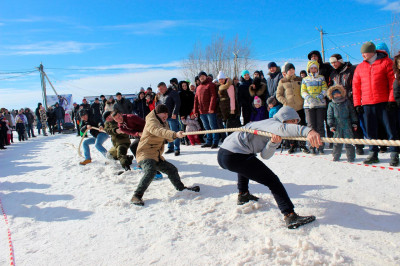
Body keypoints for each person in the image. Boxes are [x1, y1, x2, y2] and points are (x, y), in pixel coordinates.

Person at [217, 106, 320, 229]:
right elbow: (284, 129)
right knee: (273, 181)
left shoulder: (268, 126)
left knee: (247, 162)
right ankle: (290, 215)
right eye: (294, 122)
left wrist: (273, 143)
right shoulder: (273, 124)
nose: (295, 125)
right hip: (233, 155)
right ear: (285, 118)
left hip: (227, 154)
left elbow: (265, 155)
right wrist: (308, 131)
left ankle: (243, 194)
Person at [130, 104, 200, 206]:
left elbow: (167, 136)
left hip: (155, 155)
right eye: (164, 113)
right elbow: (158, 131)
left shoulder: (164, 122)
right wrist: (174, 134)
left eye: (167, 113)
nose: (166, 115)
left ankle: (181, 188)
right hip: (145, 153)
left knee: (172, 170)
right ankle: (136, 195)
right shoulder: (151, 122)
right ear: (157, 113)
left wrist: (176, 135)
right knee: (151, 171)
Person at [353, 41, 399, 166]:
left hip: (384, 102)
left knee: (390, 128)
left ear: (372, 52)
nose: (363, 55)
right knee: (370, 130)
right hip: (367, 104)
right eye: (362, 52)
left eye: (365, 52)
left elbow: (392, 83)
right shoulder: (360, 67)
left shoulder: (386, 62)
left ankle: (394, 153)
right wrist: (357, 104)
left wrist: (392, 100)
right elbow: (356, 87)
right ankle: (373, 153)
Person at [328, 54, 364, 155]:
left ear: (340, 61)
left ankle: (359, 146)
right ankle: (338, 149)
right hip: (338, 103)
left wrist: (353, 95)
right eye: (331, 63)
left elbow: (356, 83)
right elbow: (330, 87)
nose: (333, 64)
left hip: (350, 101)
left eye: (335, 62)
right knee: (341, 127)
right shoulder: (332, 74)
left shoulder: (350, 70)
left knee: (354, 124)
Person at [276, 63, 309, 154]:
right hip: (289, 109)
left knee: (301, 125)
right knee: (290, 127)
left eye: (293, 69)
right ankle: (293, 145)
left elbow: (304, 90)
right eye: (289, 70)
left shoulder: (300, 79)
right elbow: (278, 95)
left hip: (300, 107)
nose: (291, 71)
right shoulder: (282, 81)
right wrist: (285, 102)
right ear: (286, 71)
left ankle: (303, 145)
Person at [301, 60, 327, 154]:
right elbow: (303, 91)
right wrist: (309, 98)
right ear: (308, 69)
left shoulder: (321, 78)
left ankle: (320, 146)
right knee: (311, 126)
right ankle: (312, 146)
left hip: (320, 104)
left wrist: (319, 97)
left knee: (320, 125)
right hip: (309, 105)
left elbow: (325, 89)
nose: (313, 69)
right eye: (311, 68)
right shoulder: (305, 79)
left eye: (315, 67)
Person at [327, 85, 358, 162]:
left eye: (338, 93)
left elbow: (352, 113)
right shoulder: (331, 104)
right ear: (332, 95)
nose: (337, 95)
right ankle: (336, 156)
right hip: (337, 125)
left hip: (347, 123)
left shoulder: (347, 102)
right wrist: (331, 125)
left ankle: (351, 157)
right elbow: (330, 115)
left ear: (342, 93)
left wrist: (354, 122)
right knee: (337, 142)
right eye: (335, 94)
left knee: (349, 141)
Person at [193, 71, 220, 148]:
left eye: (203, 76)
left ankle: (215, 142)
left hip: (210, 111)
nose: (202, 77)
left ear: (206, 76)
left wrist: (211, 108)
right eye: (200, 77)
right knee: (206, 127)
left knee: (213, 126)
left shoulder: (210, 85)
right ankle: (209, 141)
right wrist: (195, 111)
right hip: (201, 111)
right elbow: (195, 100)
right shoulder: (198, 87)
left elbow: (213, 96)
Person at [157, 82, 182, 155]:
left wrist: (175, 113)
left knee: (175, 132)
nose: (160, 91)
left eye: (161, 89)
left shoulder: (172, 93)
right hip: (164, 118)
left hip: (172, 116)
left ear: (165, 87)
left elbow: (177, 103)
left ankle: (177, 148)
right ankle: (170, 147)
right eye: (159, 90)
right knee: (168, 133)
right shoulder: (162, 96)